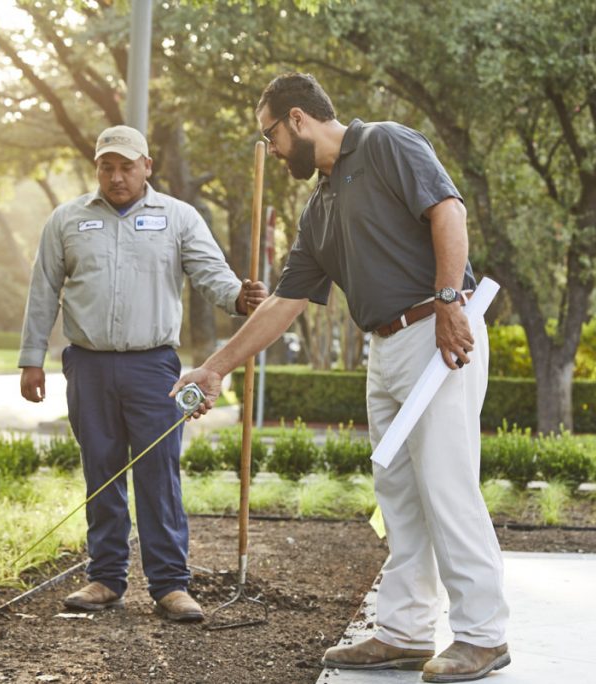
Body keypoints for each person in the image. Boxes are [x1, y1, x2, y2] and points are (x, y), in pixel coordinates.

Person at [171, 74, 510, 681]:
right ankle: (405, 631)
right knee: (398, 492)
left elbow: (447, 210)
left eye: (269, 135)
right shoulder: (320, 206)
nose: (270, 150)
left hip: (438, 333)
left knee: (447, 484)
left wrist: (451, 301)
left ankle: (483, 635)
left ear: (297, 119)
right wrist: (216, 367)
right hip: (384, 348)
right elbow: (284, 301)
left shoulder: (384, 143)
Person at [18, 124, 267, 623]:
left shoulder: (178, 217)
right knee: (101, 470)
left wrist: (239, 297)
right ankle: (106, 579)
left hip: (155, 367)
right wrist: (31, 357)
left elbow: (209, 272)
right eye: (107, 167)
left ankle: (170, 586)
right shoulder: (67, 220)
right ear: (97, 169)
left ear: (147, 166)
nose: (116, 177)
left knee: (159, 474)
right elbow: (43, 291)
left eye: (126, 166)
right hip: (86, 364)